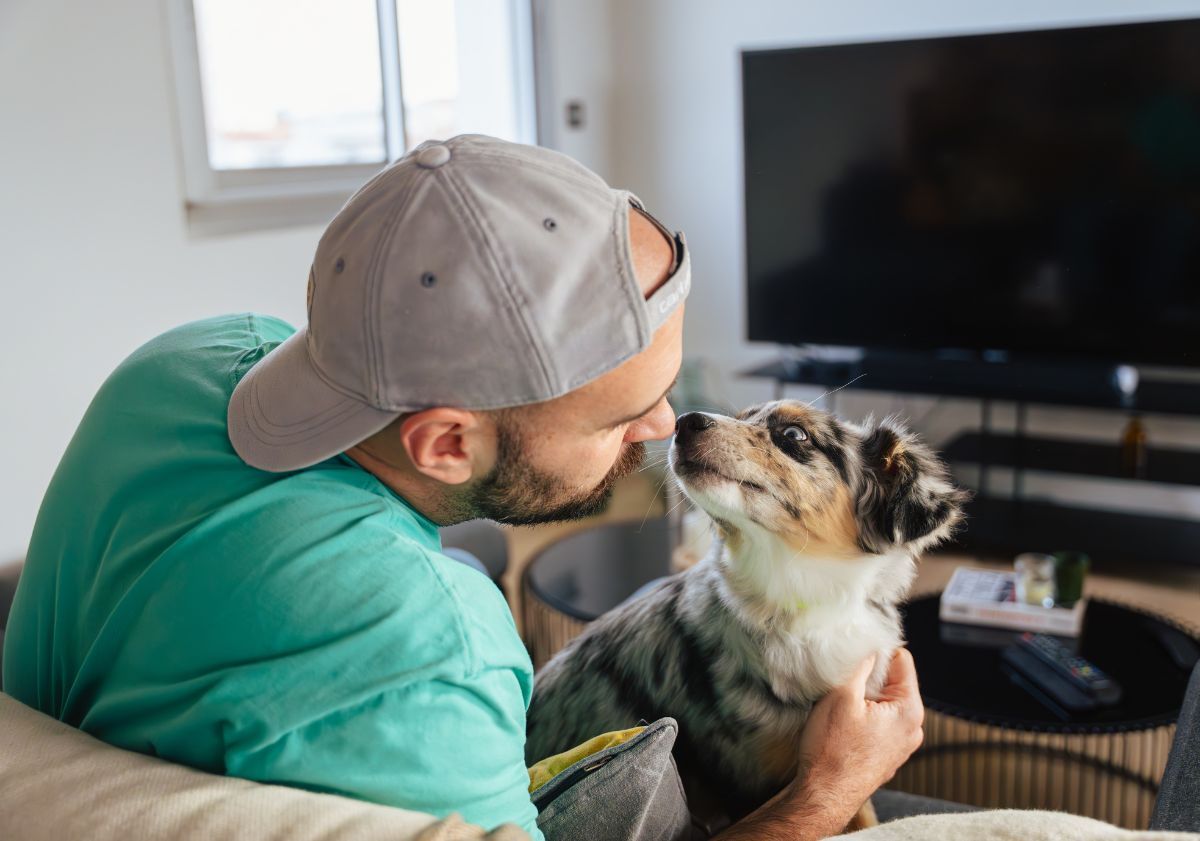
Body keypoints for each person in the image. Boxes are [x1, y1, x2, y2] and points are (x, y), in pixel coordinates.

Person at [3, 135, 923, 840]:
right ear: (445, 441)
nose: (662, 429)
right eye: (617, 418)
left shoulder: (179, 362)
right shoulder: (440, 653)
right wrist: (825, 791)